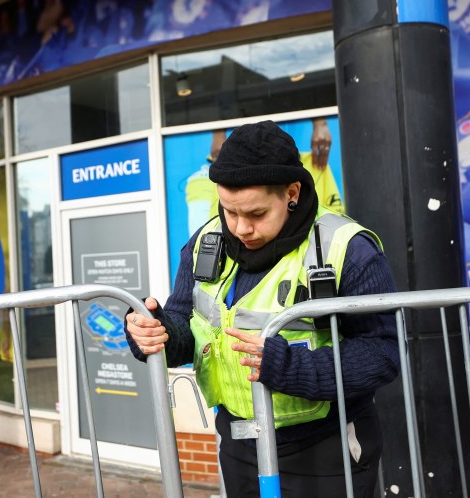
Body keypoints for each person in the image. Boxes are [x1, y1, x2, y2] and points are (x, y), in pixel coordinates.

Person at [126, 120, 399, 496]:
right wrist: (159, 332)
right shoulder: (205, 243)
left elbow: (382, 352)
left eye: (256, 214)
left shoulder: (348, 250)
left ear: (291, 192)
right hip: (239, 444)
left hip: (326, 448)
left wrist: (288, 368)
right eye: (229, 211)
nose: (240, 228)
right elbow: (187, 325)